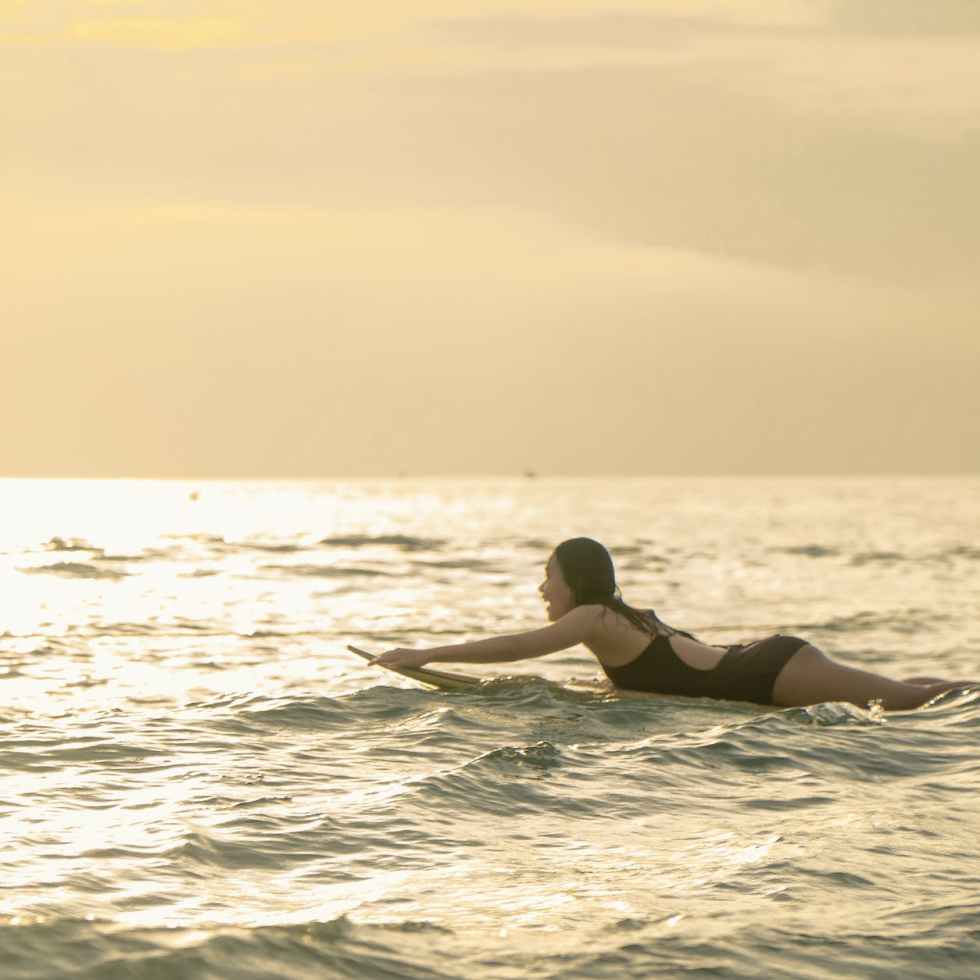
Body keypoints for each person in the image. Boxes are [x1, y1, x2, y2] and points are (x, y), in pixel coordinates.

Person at [368, 537, 975, 711]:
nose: (540, 588)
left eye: (546, 574)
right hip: (765, 661)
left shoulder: (592, 616)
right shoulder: (618, 618)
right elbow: (646, 682)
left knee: (907, 704)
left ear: (573, 580)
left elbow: (523, 646)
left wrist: (425, 653)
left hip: (767, 673)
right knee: (905, 690)